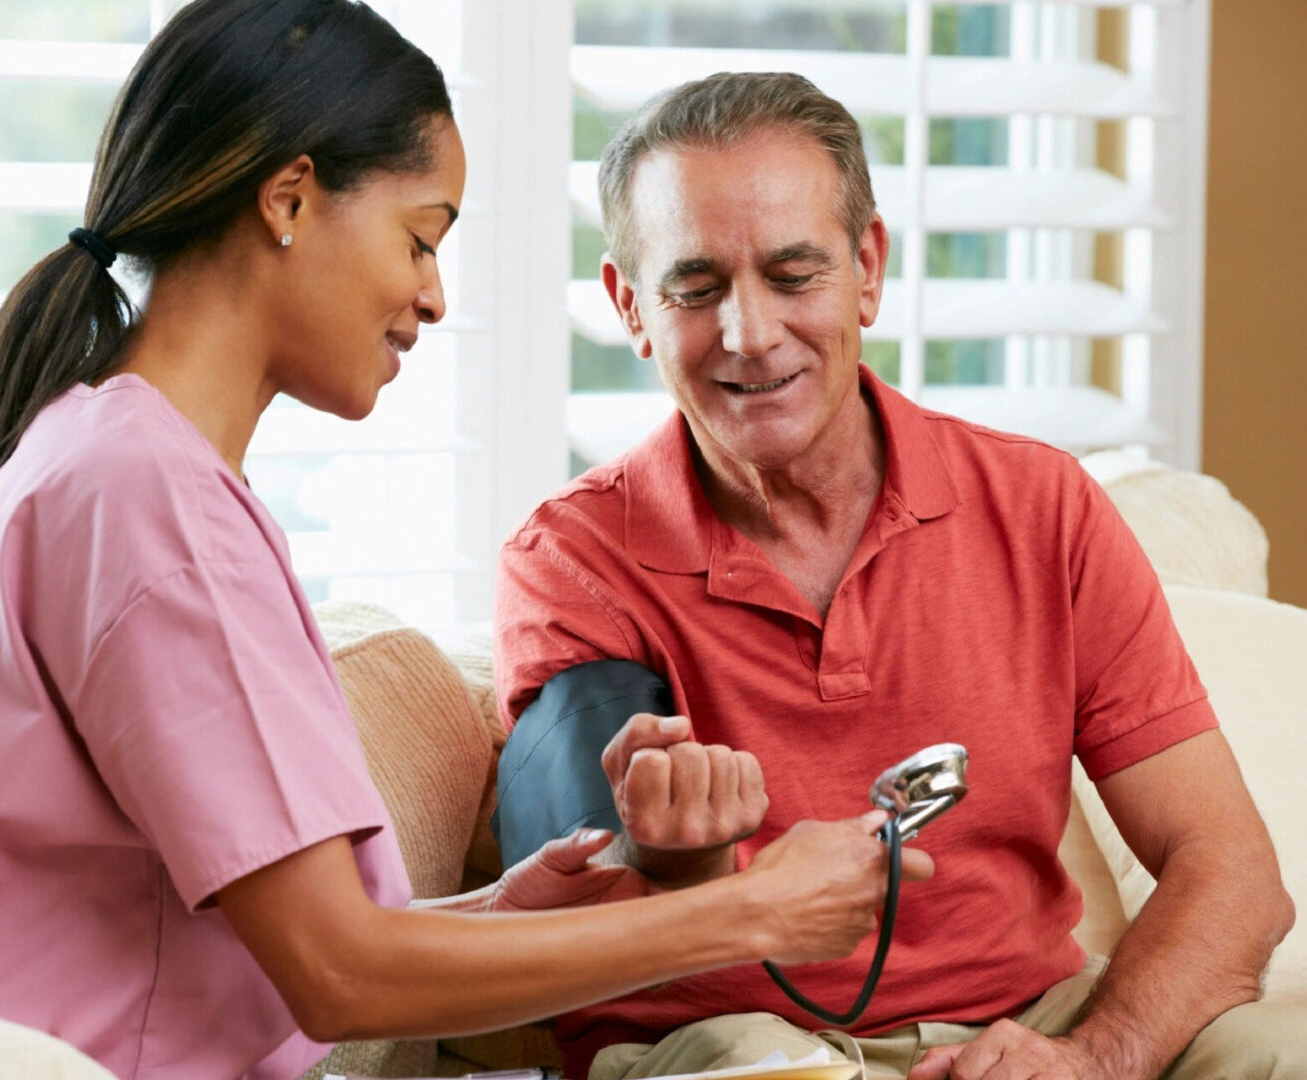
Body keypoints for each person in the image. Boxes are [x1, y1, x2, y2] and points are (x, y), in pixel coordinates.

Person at [0, 6, 936, 1079]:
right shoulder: (147, 500)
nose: (432, 294)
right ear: (289, 199)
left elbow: (255, 941)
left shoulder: (112, 460)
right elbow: (339, 977)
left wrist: (494, 918)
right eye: (419, 237)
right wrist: (752, 911)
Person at [493, 72, 1301, 1080]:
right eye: (697, 288)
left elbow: (1231, 870)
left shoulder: (1041, 507)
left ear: (867, 268)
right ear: (631, 307)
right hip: (736, 1041)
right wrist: (676, 865)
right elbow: (552, 938)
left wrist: (1095, 1058)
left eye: (794, 275)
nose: (749, 334)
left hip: (1035, 1023)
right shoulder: (572, 559)